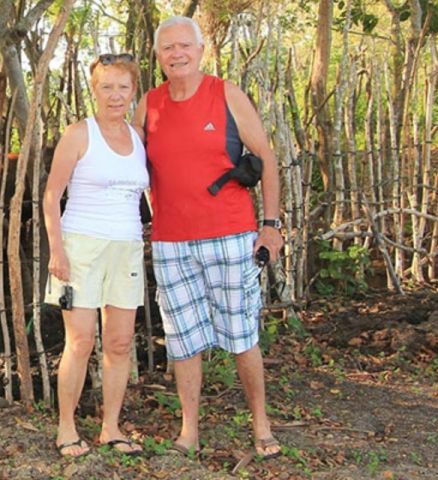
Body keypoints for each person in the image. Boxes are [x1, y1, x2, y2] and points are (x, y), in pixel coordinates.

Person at [132, 15, 284, 459]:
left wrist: (270, 226)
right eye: (167, 48)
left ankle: (261, 424)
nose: (176, 54)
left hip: (230, 235)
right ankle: (189, 431)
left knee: (242, 336)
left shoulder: (226, 95)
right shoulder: (148, 104)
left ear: (200, 51)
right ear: (158, 57)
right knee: (183, 340)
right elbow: (132, 166)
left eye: (184, 46)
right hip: (171, 242)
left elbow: (266, 157)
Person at [44, 53, 149, 457]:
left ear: (133, 91)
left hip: (125, 247)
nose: (115, 95)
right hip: (81, 246)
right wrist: (57, 251)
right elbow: (52, 195)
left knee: (120, 343)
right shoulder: (78, 134)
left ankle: (111, 427)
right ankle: (67, 426)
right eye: (107, 87)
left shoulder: (139, 136)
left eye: (123, 87)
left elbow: (148, 191)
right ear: (95, 90)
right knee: (81, 339)